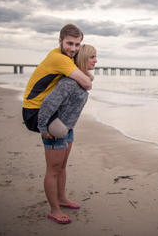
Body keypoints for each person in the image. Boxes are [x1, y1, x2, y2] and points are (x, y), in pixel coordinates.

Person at [37, 44, 97, 224]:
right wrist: (43, 128)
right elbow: (47, 105)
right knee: (53, 170)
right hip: (54, 130)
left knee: (62, 168)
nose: (96, 60)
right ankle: (54, 210)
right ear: (83, 58)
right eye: (92, 57)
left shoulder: (80, 79)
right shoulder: (69, 82)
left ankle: (62, 199)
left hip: (67, 129)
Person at [22, 24, 92, 133]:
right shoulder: (60, 59)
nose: (73, 49)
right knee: (62, 133)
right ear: (60, 41)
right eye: (69, 43)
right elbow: (88, 83)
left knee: (68, 131)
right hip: (34, 112)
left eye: (77, 45)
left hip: (45, 108)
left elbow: (90, 77)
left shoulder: (63, 55)